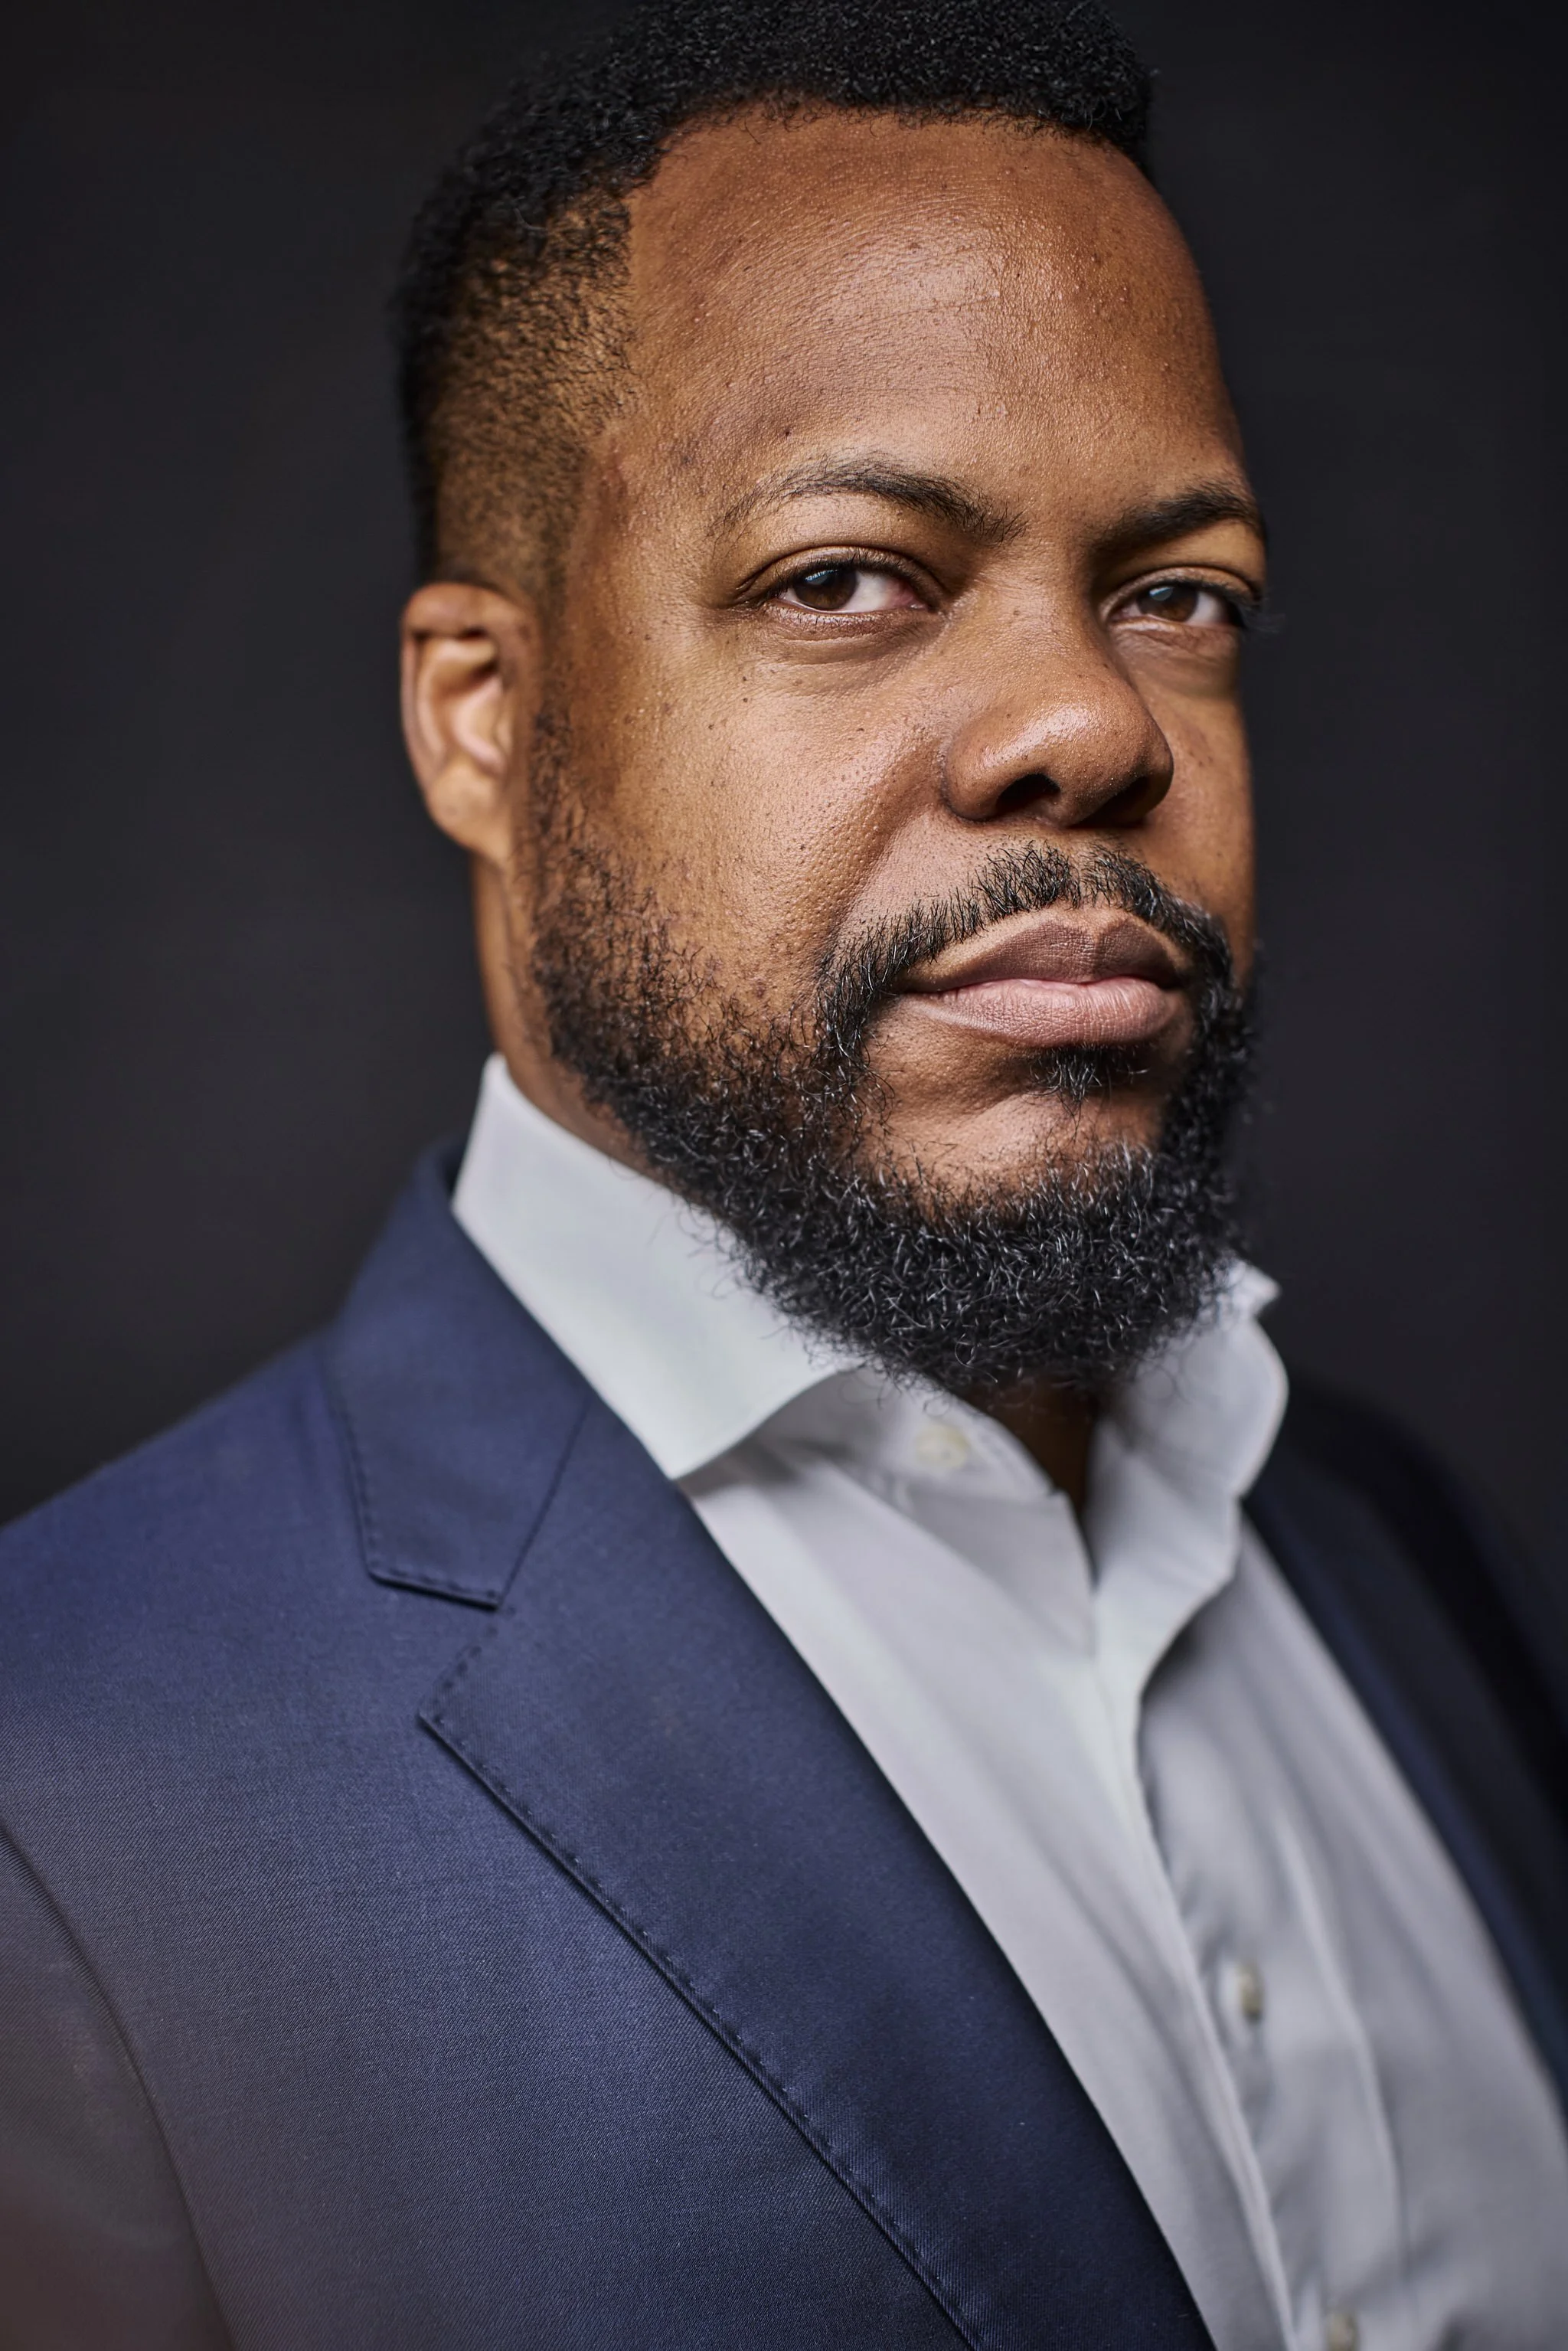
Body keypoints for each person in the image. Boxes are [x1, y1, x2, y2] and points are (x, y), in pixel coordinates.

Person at [2, 1, 1564, 2343]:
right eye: (848, 577)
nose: (1095, 722)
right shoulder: (66, 1788)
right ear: (485, 718)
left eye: (1182, 594)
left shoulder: (1393, 1542)